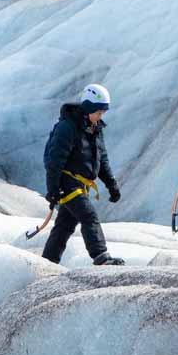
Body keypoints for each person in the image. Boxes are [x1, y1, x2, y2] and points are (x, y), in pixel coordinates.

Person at [41, 84, 125, 266]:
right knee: (89, 216)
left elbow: (101, 160)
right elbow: (55, 160)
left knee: (64, 226)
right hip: (68, 183)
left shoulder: (95, 129)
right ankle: (101, 256)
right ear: (87, 108)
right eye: (99, 111)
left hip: (82, 185)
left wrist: (112, 185)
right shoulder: (67, 128)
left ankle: (47, 262)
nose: (101, 116)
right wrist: (53, 189)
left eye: (103, 112)